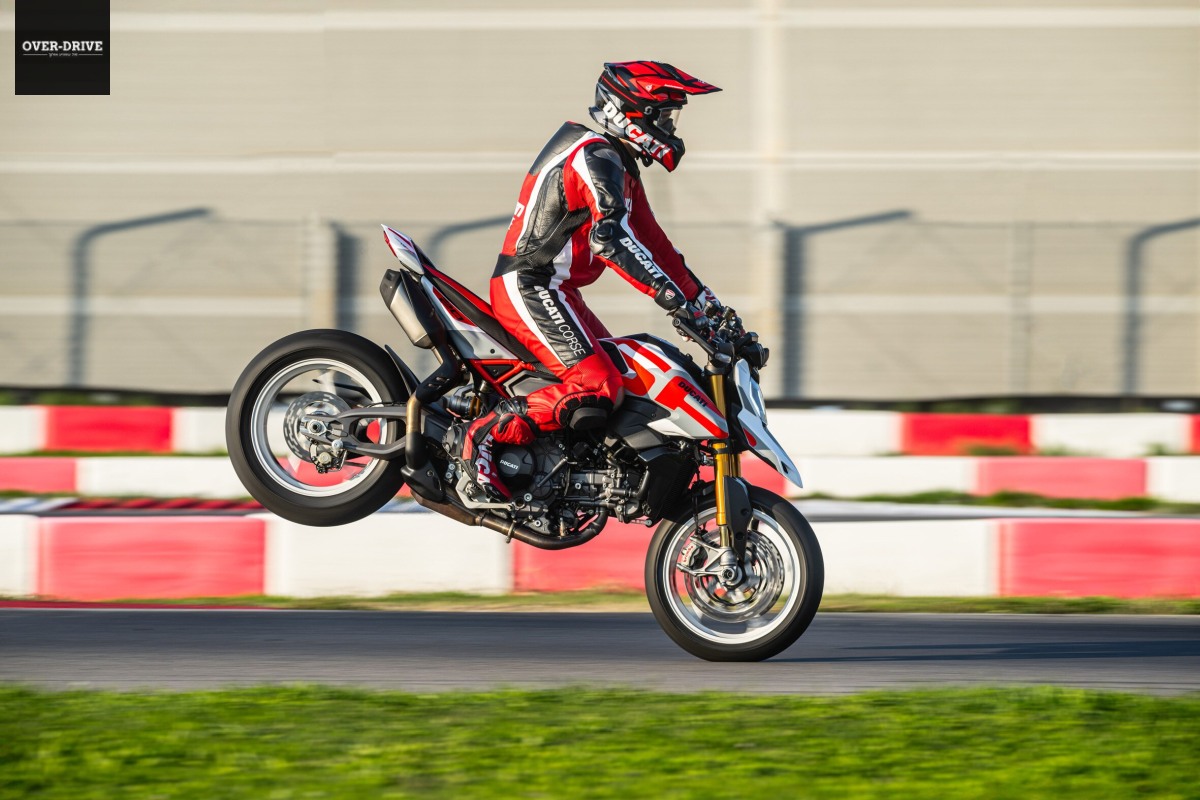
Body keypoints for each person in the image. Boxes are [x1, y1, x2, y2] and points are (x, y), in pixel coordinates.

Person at [464, 60, 726, 499]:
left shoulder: (617, 164)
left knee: (627, 377)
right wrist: (674, 300)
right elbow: (612, 239)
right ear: (631, 113)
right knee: (597, 385)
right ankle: (486, 434)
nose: (670, 129)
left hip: (557, 290)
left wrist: (711, 309)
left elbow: (657, 246)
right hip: (530, 285)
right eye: (664, 117)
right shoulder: (593, 155)